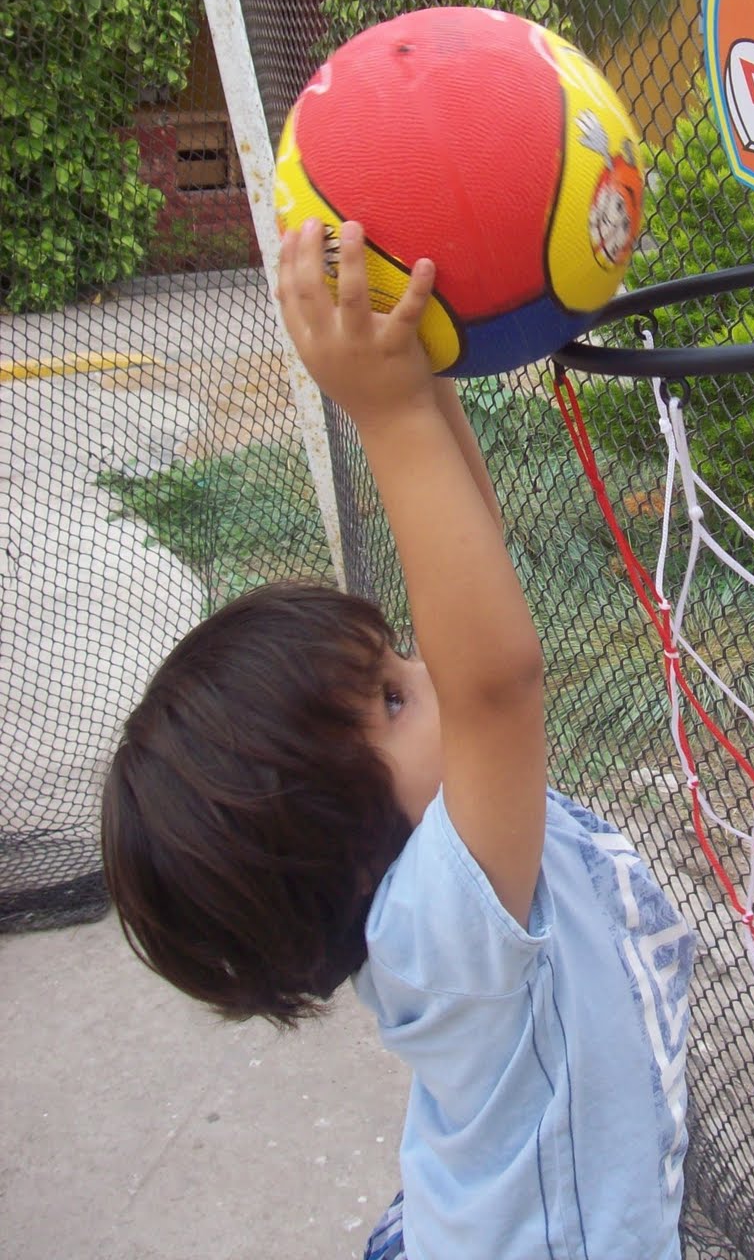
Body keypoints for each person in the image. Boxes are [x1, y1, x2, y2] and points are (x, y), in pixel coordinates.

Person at [101, 218, 695, 1260]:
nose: (427, 670)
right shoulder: (439, 920)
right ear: (341, 836)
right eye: (387, 699)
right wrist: (380, 414)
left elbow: (479, 569)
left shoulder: (434, 867)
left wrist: (423, 366)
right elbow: (495, 681)